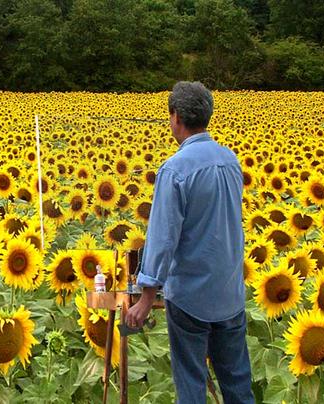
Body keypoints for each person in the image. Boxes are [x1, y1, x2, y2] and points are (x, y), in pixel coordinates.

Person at [124, 81, 255, 404]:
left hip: (191, 297)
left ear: (176, 117)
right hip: (229, 292)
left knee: (192, 384)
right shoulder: (230, 161)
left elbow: (162, 237)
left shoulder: (175, 169)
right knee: (237, 383)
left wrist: (145, 297)